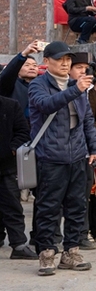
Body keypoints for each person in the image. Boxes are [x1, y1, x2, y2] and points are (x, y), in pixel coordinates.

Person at [27, 41, 96, 276]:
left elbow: (87, 120)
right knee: (48, 208)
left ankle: (71, 252)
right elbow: (46, 106)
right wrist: (75, 90)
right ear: (46, 62)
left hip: (77, 156)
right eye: (60, 59)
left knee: (77, 206)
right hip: (50, 157)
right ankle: (47, 254)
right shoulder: (38, 85)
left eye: (68, 59)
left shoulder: (76, 86)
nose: (66, 63)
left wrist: (94, 148)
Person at [72, 52, 96, 251]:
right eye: (78, 67)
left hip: (86, 150)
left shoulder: (92, 93)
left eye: (85, 68)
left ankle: (82, 233)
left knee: (83, 195)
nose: (83, 72)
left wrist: (87, 127)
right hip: (60, 151)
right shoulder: (60, 89)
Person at [0, 92, 35, 259]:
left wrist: (12, 148)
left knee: (12, 207)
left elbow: (23, 131)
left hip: (6, 167)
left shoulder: (10, 105)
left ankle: (19, 245)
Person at [0, 40, 41, 120]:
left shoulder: (42, 85)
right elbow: (7, 74)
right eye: (27, 65)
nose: (32, 67)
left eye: (35, 65)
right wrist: (23, 54)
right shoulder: (11, 85)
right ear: (18, 69)